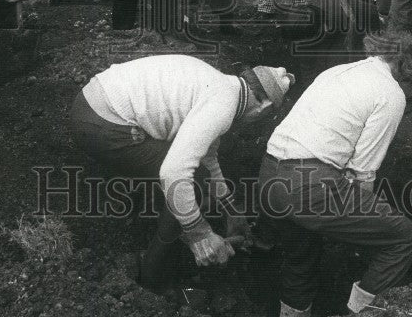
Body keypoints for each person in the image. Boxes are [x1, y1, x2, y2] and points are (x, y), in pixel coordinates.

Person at [69, 56, 294, 291]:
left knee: (194, 176)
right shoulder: (223, 104)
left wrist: (230, 210)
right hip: (102, 122)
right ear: (264, 106)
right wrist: (200, 234)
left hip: (93, 102)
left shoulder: (223, 87)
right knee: (191, 183)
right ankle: (152, 271)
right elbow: (174, 172)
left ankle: (170, 226)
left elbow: (207, 156)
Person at [256, 32, 412, 317]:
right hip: (309, 184)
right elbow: (363, 174)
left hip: (269, 174)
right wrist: (363, 229)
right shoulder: (391, 93)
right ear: (405, 69)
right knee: (404, 237)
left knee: (301, 255)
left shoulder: (336, 72)